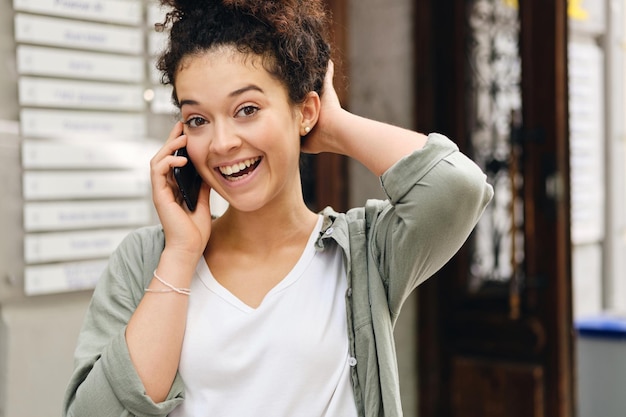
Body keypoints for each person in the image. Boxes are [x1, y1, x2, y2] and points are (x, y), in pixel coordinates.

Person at [63, 0, 493, 416]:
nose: (222, 142)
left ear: (305, 111)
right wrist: (179, 256)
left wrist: (336, 128)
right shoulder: (146, 260)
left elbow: (456, 186)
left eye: (247, 110)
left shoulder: (363, 252)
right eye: (198, 119)